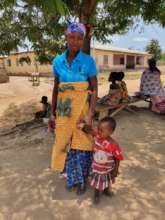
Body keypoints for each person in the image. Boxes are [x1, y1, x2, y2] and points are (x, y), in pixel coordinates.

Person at [49, 21, 97, 194]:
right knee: (65, 143)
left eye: (79, 38)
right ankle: (71, 177)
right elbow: (56, 87)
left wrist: (90, 113)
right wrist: (52, 113)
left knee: (81, 143)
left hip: (81, 111)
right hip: (63, 112)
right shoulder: (58, 61)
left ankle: (81, 180)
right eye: (72, 37)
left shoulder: (88, 61)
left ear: (83, 40)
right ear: (66, 37)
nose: (75, 41)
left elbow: (94, 87)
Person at [78, 117, 124, 204]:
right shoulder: (98, 136)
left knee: (107, 181)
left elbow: (118, 158)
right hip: (97, 168)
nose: (99, 131)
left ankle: (106, 190)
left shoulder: (114, 144)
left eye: (102, 130)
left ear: (110, 132)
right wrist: (83, 126)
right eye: (98, 129)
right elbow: (90, 131)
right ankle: (96, 194)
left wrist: (115, 170)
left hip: (108, 169)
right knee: (97, 183)